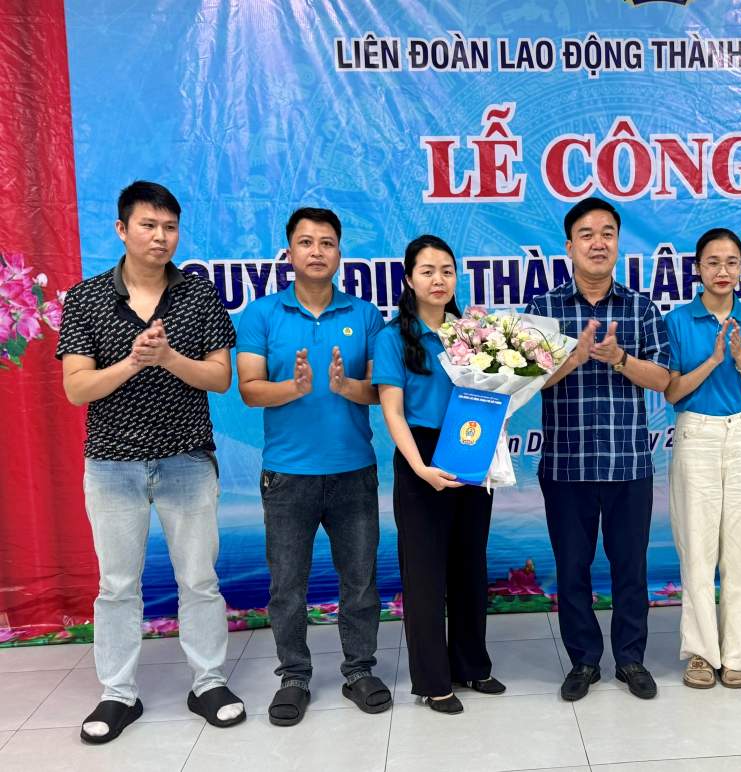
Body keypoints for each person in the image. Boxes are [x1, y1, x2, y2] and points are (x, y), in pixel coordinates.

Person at [57, 181, 245, 743]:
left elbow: (219, 377)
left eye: (169, 228)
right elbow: (76, 388)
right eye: (148, 226)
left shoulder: (197, 295)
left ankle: (208, 682)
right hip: (113, 465)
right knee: (117, 585)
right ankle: (118, 693)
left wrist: (168, 357)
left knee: (199, 580)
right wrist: (134, 364)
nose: (160, 237)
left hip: (187, 458)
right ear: (122, 230)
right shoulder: (86, 298)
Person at [236, 207, 391, 726]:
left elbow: (380, 391)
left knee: (361, 582)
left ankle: (359, 670)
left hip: (354, 471)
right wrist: (295, 389)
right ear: (290, 252)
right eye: (306, 242)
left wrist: (348, 387)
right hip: (286, 475)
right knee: (287, 587)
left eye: (327, 242)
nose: (317, 251)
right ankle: (295, 677)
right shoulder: (261, 315)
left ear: (340, 252)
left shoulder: (365, 315)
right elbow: (250, 389)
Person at [526, 197, 671, 701]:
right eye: (586, 233)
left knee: (631, 567)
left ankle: (630, 659)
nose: (598, 242)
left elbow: (665, 377)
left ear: (618, 243)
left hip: (629, 465)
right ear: (569, 246)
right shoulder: (543, 310)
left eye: (607, 232)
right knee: (573, 570)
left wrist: (619, 357)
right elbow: (531, 382)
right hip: (567, 467)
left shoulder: (641, 307)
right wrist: (576, 355)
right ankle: (584, 661)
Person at [374, 234, 506, 715]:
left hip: (471, 449)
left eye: (447, 270)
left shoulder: (474, 333)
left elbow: (496, 393)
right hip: (422, 455)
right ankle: (433, 680)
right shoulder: (393, 337)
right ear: (409, 278)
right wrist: (420, 468)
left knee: (470, 564)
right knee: (425, 574)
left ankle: (473, 665)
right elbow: (392, 412)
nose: (438, 279)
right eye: (427, 271)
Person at [664, 228, 741, 689]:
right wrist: (713, 361)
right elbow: (672, 391)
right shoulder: (678, 320)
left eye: (732, 262)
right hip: (697, 431)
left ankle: (738, 654)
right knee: (697, 549)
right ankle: (699, 653)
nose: (722, 271)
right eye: (713, 262)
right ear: (697, 268)